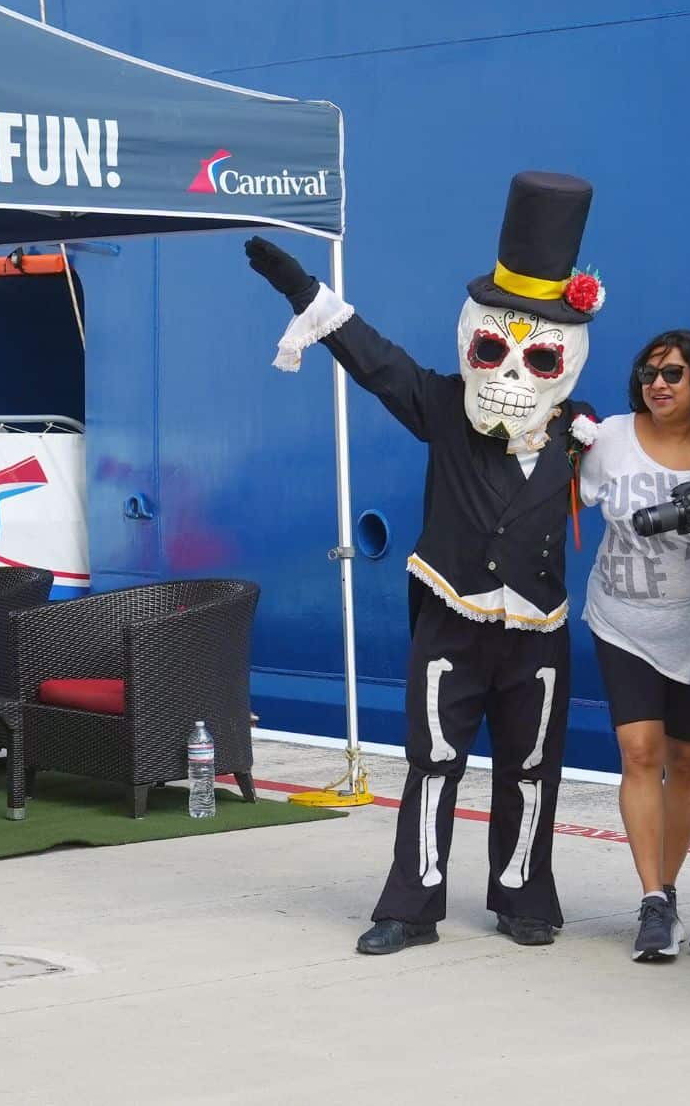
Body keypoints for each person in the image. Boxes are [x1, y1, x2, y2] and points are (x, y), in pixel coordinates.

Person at [242, 172, 605, 954]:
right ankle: (412, 904)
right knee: (433, 762)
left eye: (535, 359)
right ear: (470, 344)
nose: (508, 378)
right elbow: (376, 361)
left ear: (564, 362)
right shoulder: (444, 406)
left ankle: (523, 893)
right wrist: (302, 289)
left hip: (537, 627)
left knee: (532, 766)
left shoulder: (582, 431)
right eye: (491, 350)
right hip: (452, 614)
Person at [578, 330, 690, 961]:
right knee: (640, 752)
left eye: (672, 374)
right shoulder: (609, 437)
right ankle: (652, 901)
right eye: (648, 373)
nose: (657, 384)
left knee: (687, 760)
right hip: (621, 620)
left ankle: (668, 883)